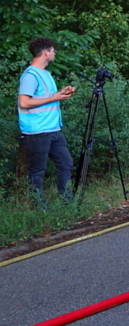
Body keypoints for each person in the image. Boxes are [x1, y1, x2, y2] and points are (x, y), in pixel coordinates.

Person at [17, 37, 76, 204]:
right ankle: (40, 208)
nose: (54, 53)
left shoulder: (46, 74)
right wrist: (55, 97)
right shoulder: (30, 76)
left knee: (66, 163)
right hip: (36, 131)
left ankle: (67, 203)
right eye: (53, 50)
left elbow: (47, 98)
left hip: (53, 130)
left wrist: (60, 94)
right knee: (37, 172)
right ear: (46, 53)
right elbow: (24, 102)